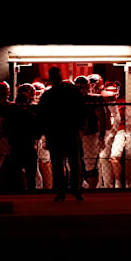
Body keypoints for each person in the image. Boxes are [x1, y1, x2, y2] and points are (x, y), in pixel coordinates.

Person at [38, 67, 85, 201]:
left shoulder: (47, 95)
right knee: (74, 162)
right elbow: (81, 108)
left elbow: (42, 115)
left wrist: (44, 131)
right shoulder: (72, 90)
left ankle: (60, 191)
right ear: (61, 76)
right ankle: (75, 189)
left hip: (55, 132)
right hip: (71, 130)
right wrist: (81, 126)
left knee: (58, 163)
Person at [75, 75, 110, 189]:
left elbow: (103, 117)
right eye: (79, 87)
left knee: (90, 164)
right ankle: (79, 187)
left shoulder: (94, 99)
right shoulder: (70, 100)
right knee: (75, 164)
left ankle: (91, 189)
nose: (81, 89)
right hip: (76, 135)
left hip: (89, 135)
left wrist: (101, 135)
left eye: (83, 86)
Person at [4, 83, 40, 191]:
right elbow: (37, 131)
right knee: (31, 176)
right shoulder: (32, 114)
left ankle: (16, 194)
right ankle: (32, 194)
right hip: (29, 146)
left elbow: (6, 129)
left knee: (15, 175)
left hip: (16, 146)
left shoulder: (11, 113)